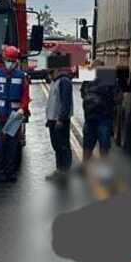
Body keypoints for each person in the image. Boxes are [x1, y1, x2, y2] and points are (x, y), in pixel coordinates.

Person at [0, 45, 30, 182]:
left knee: (12, 146)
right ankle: (0, 172)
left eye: (13, 61)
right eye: (8, 60)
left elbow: (25, 96)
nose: (10, 63)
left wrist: (22, 108)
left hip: (14, 117)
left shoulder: (21, 76)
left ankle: (10, 172)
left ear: (17, 62)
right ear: (4, 59)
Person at [45, 53, 73, 181]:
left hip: (60, 121)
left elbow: (65, 103)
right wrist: (49, 119)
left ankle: (65, 173)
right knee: (56, 146)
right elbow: (53, 102)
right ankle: (59, 170)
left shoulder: (64, 81)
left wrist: (61, 119)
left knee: (63, 146)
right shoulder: (54, 81)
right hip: (53, 120)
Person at [80, 68, 117, 163]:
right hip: (104, 118)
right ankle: (104, 173)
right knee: (104, 148)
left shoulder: (88, 77)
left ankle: (84, 168)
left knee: (87, 147)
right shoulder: (108, 77)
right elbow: (117, 96)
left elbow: (83, 93)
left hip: (90, 117)